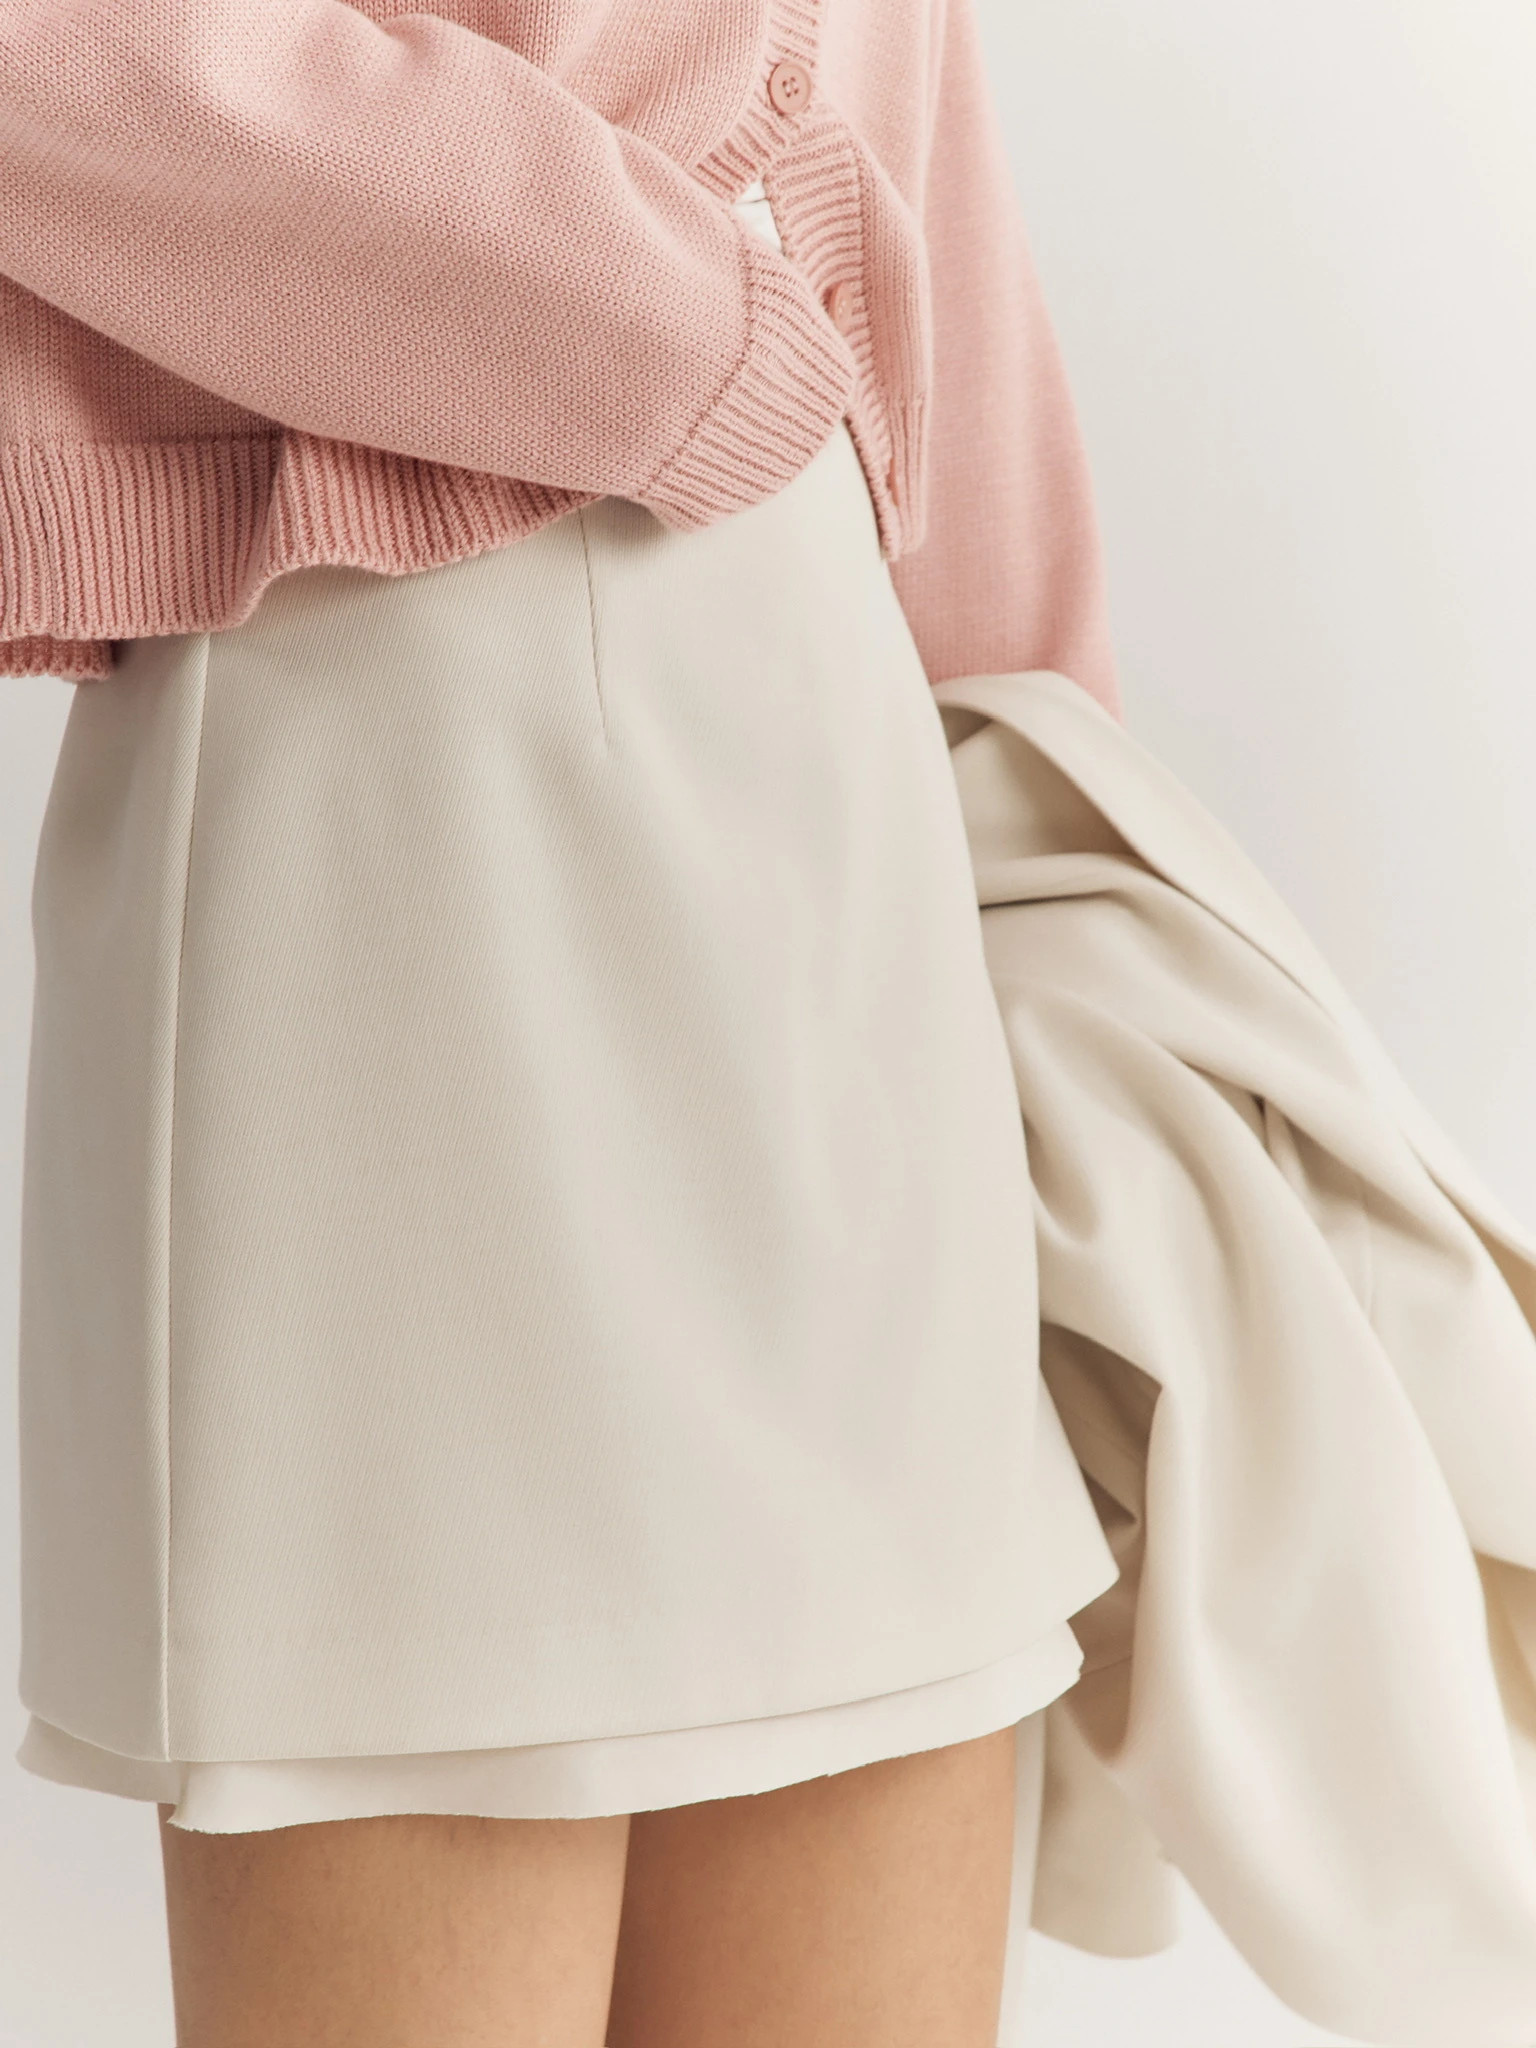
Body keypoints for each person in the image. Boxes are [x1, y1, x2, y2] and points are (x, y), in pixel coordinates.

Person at [0, 1, 1125, 2040]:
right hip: (393, 792)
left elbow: (919, 134)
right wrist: (660, 318)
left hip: (842, 794)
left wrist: (1066, 846)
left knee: (894, 1724)